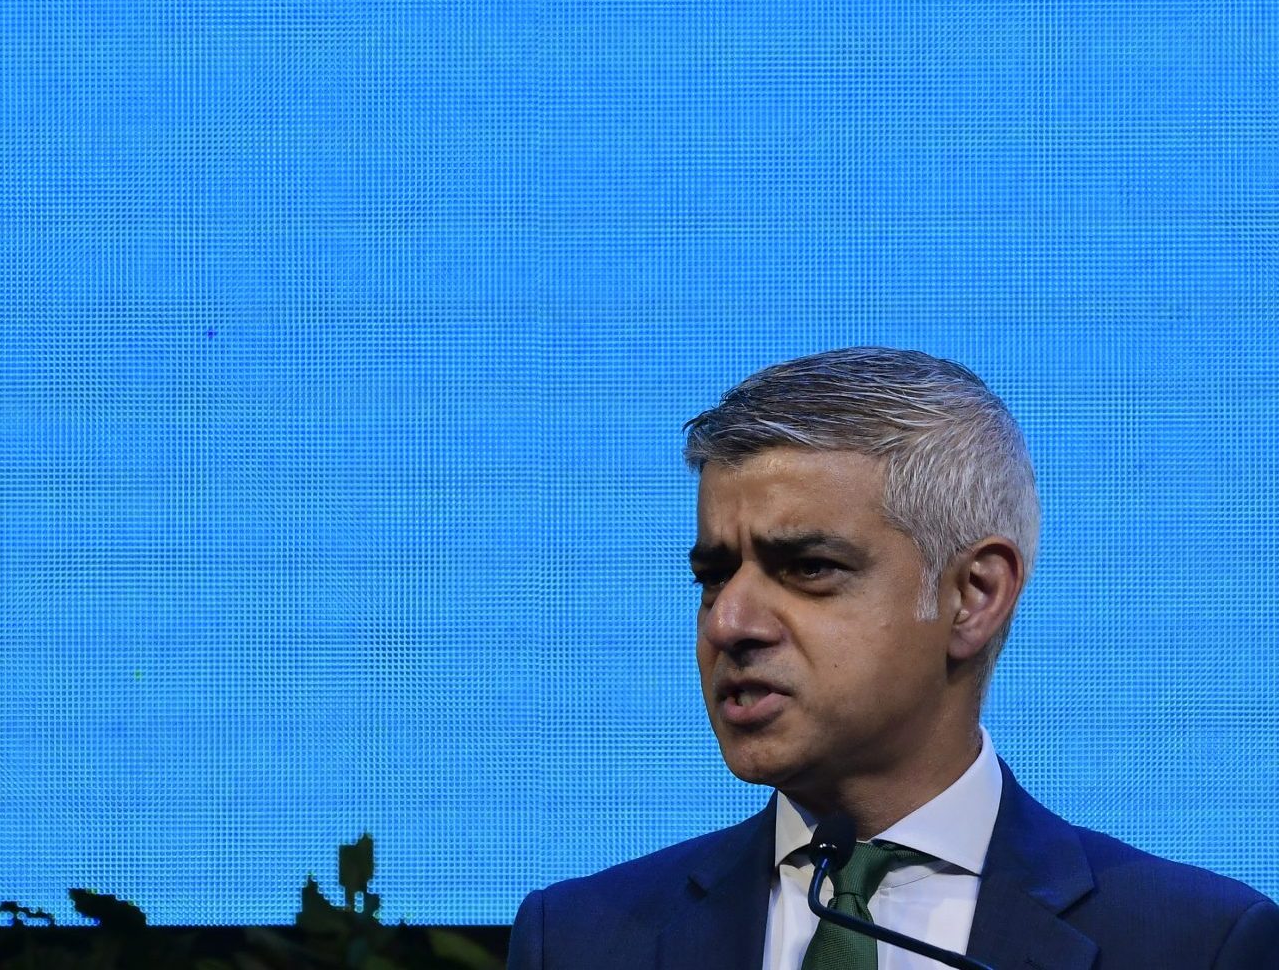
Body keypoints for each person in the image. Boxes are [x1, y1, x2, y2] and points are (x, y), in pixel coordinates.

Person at [507, 347, 1279, 970]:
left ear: (974, 596)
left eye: (808, 567)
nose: (730, 622)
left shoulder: (1196, 944)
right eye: (713, 576)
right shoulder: (578, 938)